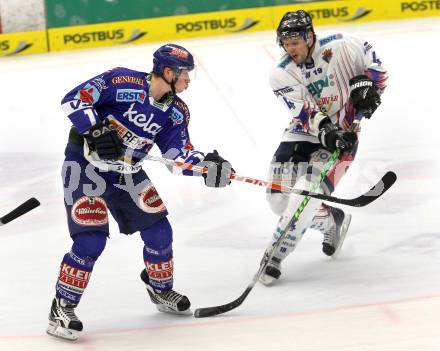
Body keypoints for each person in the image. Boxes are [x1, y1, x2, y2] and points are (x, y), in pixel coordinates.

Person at [47, 43, 234, 341]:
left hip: (127, 172)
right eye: (185, 75)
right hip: (86, 166)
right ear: (168, 71)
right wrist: (95, 129)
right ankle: (62, 307)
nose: (188, 81)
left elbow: (177, 155)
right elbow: (73, 100)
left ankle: (160, 290)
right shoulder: (121, 81)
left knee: (160, 232)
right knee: (91, 240)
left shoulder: (176, 112)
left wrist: (206, 166)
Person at [260, 10, 387, 285]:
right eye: (286, 42)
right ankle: (331, 221)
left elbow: (376, 67)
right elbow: (304, 113)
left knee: (306, 192)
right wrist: (327, 132)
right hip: (301, 135)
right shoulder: (281, 73)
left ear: (309, 36)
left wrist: (371, 93)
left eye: (295, 41)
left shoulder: (343, 46)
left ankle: (274, 256)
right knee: (278, 201)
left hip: (344, 136)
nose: (290, 48)